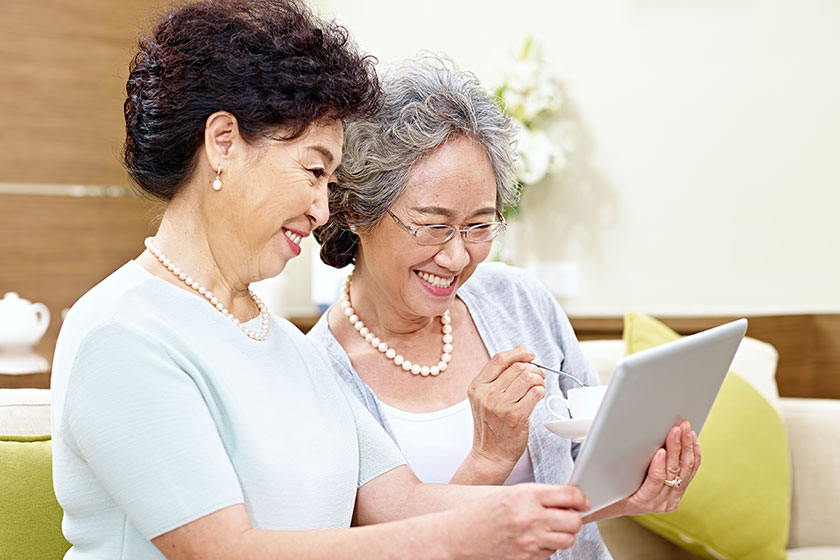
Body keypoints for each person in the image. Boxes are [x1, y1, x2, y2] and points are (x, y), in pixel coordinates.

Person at [49, 3, 592, 559]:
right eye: (314, 171)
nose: (322, 208)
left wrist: (558, 506)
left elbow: (402, 504)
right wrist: (465, 535)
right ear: (223, 141)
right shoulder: (122, 333)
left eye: (330, 180)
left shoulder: (284, 344)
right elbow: (223, 552)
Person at [309, 56, 703, 560]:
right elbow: (391, 545)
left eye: (479, 225)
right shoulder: (320, 372)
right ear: (356, 211)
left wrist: (633, 487)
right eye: (432, 225)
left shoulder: (519, 300)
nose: (456, 256)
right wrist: (489, 457)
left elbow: (581, 477)